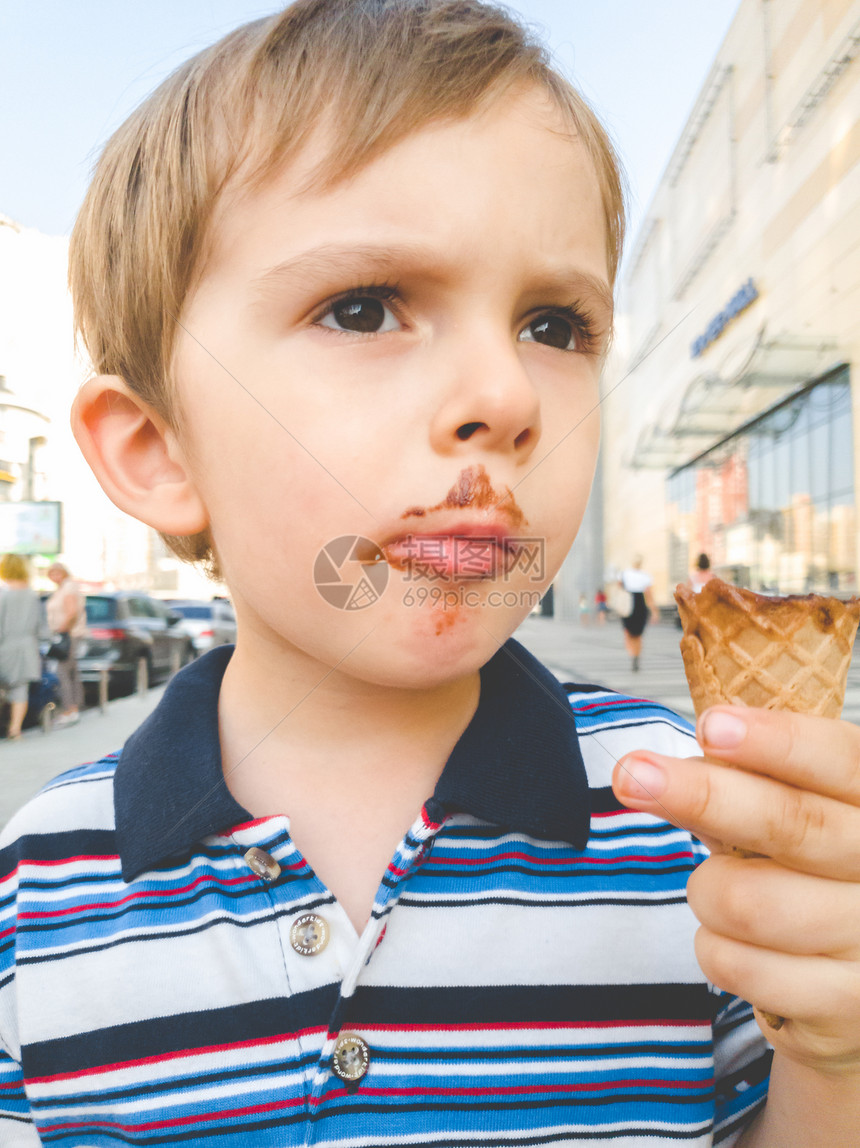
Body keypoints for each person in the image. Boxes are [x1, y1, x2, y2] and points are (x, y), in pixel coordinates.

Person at [1, 3, 858, 1144]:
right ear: (158, 449)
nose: (504, 397)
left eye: (553, 325)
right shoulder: (37, 893)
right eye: (363, 307)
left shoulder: (696, 828)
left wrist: (834, 1053)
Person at [0, 554, 41, 740]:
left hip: (5, 646)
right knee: (20, 690)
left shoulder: (3, 593)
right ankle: (15, 730)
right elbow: (40, 625)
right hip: (27, 647)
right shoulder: (32, 594)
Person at [44, 561, 85, 726]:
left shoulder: (68, 588)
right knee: (71, 672)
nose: (55, 577)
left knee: (63, 672)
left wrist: (62, 631)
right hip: (68, 633)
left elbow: (72, 612)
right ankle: (75, 707)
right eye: (52, 574)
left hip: (69, 634)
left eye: (57, 573)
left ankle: (70, 709)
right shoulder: (63, 588)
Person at [618, 555, 660, 671]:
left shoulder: (624, 574)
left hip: (628, 604)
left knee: (628, 632)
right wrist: (654, 611)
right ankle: (636, 656)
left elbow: (619, 589)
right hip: (640, 604)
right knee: (638, 634)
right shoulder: (646, 576)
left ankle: (632, 654)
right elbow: (649, 595)